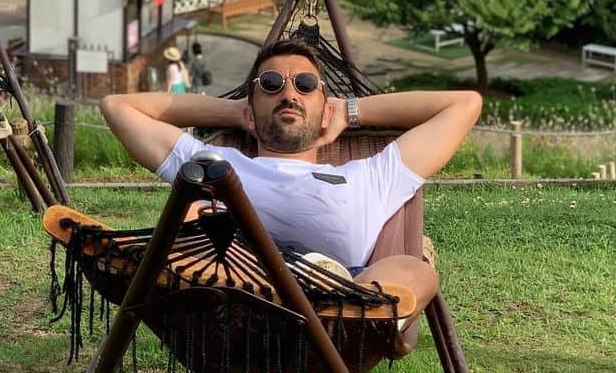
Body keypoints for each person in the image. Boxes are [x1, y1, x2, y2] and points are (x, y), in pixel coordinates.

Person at [101, 37, 482, 327]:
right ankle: (312, 298)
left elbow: (464, 105)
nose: (288, 93)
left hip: (342, 290)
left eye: (304, 84)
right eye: (270, 84)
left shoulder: (370, 175)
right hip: (235, 285)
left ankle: (345, 305)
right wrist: (236, 112)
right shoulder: (216, 162)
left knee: (411, 267)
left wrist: (350, 111)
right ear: (251, 113)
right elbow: (117, 107)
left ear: (324, 110)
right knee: (195, 211)